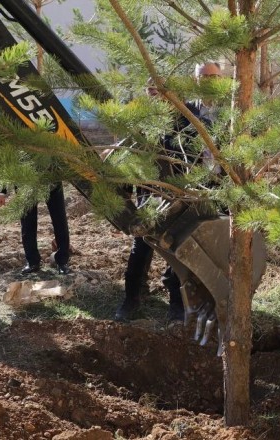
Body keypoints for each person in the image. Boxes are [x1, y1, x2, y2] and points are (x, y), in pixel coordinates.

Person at [115, 62, 223, 322]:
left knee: (176, 248)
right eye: (151, 88)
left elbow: (196, 155)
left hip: (178, 195)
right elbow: (125, 155)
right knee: (140, 247)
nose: (155, 93)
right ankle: (131, 300)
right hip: (148, 194)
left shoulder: (185, 118)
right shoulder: (139, 119)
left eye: (160, 89)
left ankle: (176, 302)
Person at [0, 182, 71, 275]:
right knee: (27, 222)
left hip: (51, 177)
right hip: (24, 178)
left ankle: (62, 262)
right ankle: (32, 262)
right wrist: (0, 191)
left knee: (59, 219)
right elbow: (2, 167)